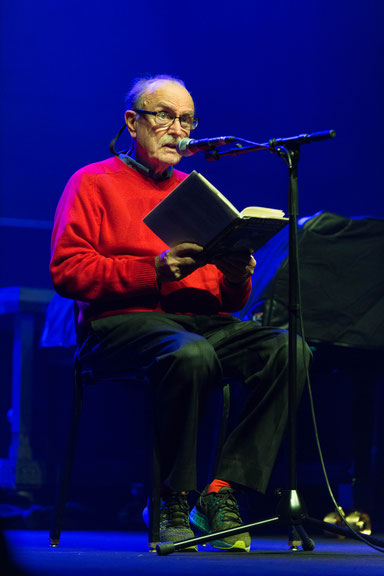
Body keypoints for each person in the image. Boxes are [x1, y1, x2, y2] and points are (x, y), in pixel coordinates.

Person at [50, 74, 309, 552]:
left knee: (288, 349)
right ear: (133, 122)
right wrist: (153, 271)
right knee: (190, 354)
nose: (177, 128)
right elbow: (68, 271)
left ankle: (221, 490)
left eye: (186, 119)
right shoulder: (91, 182)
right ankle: (171, 497)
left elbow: (225, 299)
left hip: (196, 323)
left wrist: (235, 273)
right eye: (164, 115)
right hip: (121, 324)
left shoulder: (194, 190)